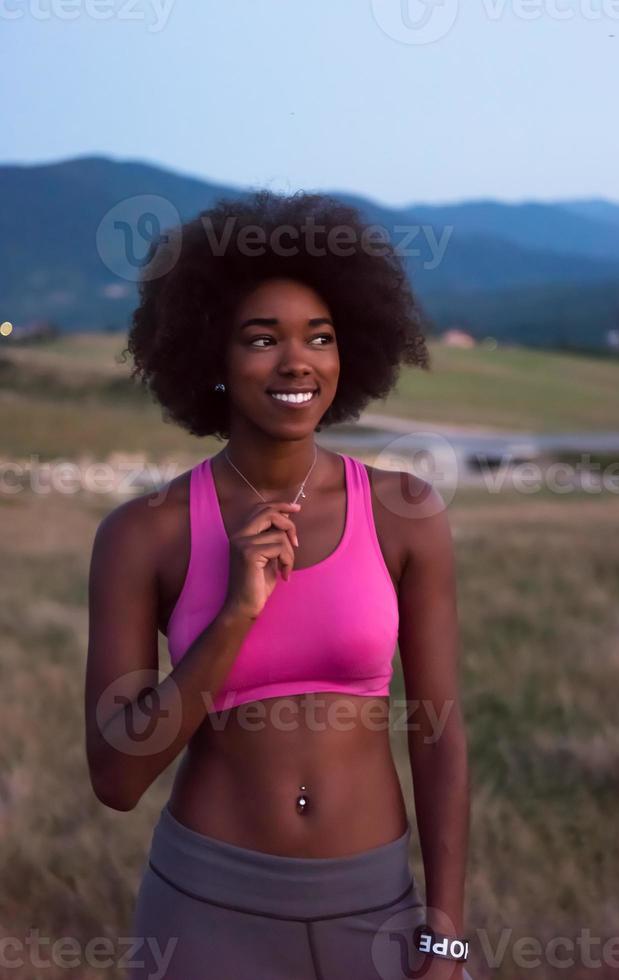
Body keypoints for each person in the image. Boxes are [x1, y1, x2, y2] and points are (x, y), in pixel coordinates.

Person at [84, 190, 471, 979]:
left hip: (376, 906)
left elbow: (438, 733)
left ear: (348, 354)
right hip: (206, 911)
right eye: (263, 340)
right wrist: (236, 612)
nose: (297, 361)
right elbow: (116, 777)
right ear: (211, 360)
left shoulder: (404, 512)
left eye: (319, 338)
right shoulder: (144, 534)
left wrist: (448, 931)